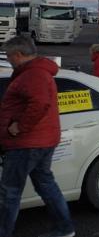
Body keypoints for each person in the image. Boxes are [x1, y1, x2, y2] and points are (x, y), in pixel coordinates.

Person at [0, 37, 75, 237]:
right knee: (45, 184)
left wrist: (19, 127)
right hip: (39, 140)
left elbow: (40, 104)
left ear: (18, 55)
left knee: (10, 191)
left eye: (8, 56)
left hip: (27, 143)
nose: (9, 60)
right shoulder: (35, 72)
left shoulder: (34, 74)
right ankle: (64, 228)